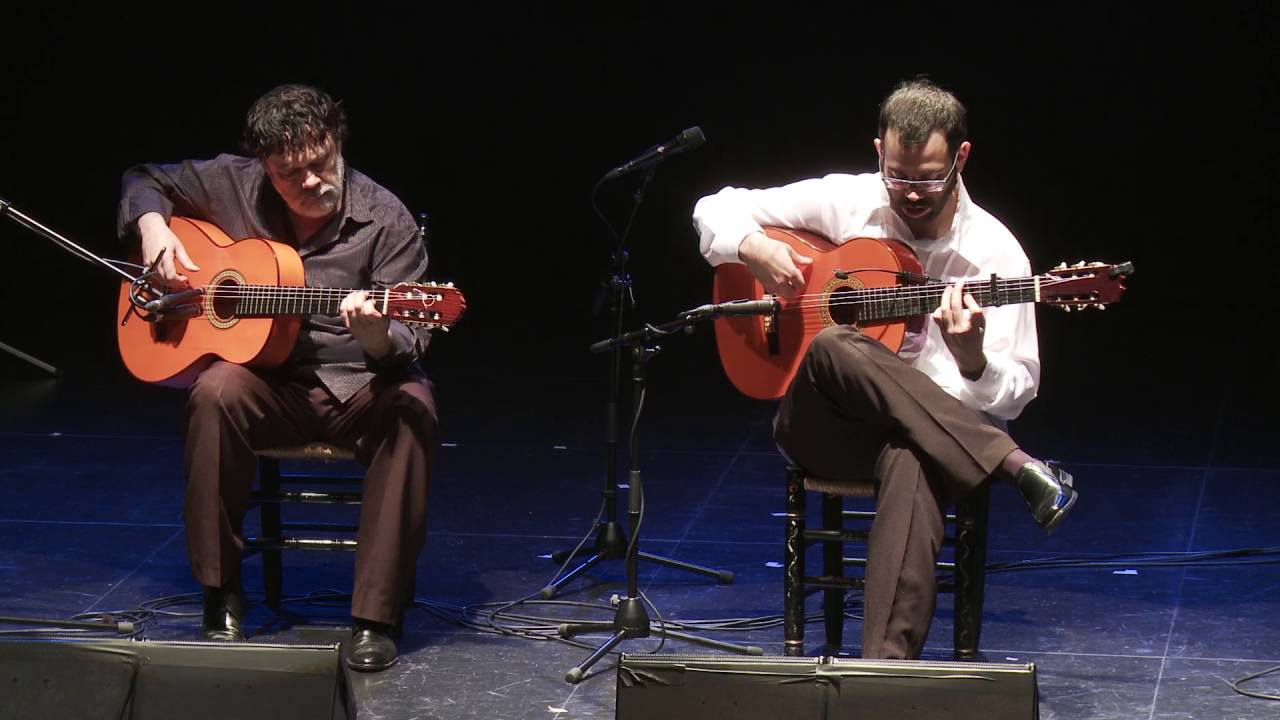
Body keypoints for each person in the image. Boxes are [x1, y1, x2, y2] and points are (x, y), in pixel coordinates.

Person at [692, 77, 1076, 660]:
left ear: (960, 158)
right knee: (832, 346)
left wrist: (974, 361)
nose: (911, 192)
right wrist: (752, 247)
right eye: (898, 175)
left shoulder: (997, 255)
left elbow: (1018, 388)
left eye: (926, 177)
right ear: (879, 153)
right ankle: (1013, 463)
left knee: (914, 453)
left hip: (928, 443)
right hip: (824, 429)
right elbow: (713, 205)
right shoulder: (847, 199)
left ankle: (881, 676)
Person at [117, 84, 438, 672]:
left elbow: (407, 343)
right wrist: (154, 229)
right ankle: (221, 593)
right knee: (214, 392)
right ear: (265, 167)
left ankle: (375, 615)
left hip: (359, 380)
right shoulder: (230, 182)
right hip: (270, 381)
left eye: (320, 165)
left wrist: (375, 333)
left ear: (337, 145)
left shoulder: (385, 218)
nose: (311, 182)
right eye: (291, 174)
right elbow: (144, 177)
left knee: (413, 408)